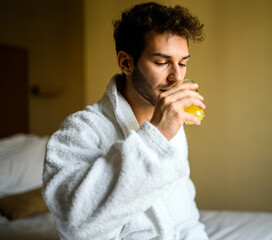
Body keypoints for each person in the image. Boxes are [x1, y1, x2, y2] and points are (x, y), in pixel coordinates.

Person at [42, 2, 208, 240]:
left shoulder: (173, 129)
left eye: (182, 63)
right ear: (126, 63)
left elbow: (187, 220)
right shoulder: (81, 131)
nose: (177, 77)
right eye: (162, 62)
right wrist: (156, 137)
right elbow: (75, 223)